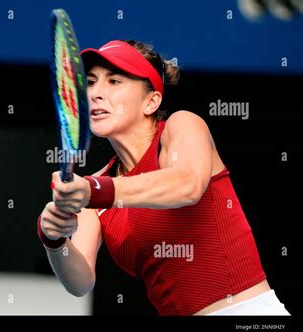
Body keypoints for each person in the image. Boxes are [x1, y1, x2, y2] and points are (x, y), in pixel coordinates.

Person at [37, 39, 291, 316]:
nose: (96, 93)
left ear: (151, 101)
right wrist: (54, 239)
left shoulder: (182, 126)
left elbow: (187, 185)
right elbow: (81, 282)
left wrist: (95, 190)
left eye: (114, 82)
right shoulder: (94, 188)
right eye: (90, 82)